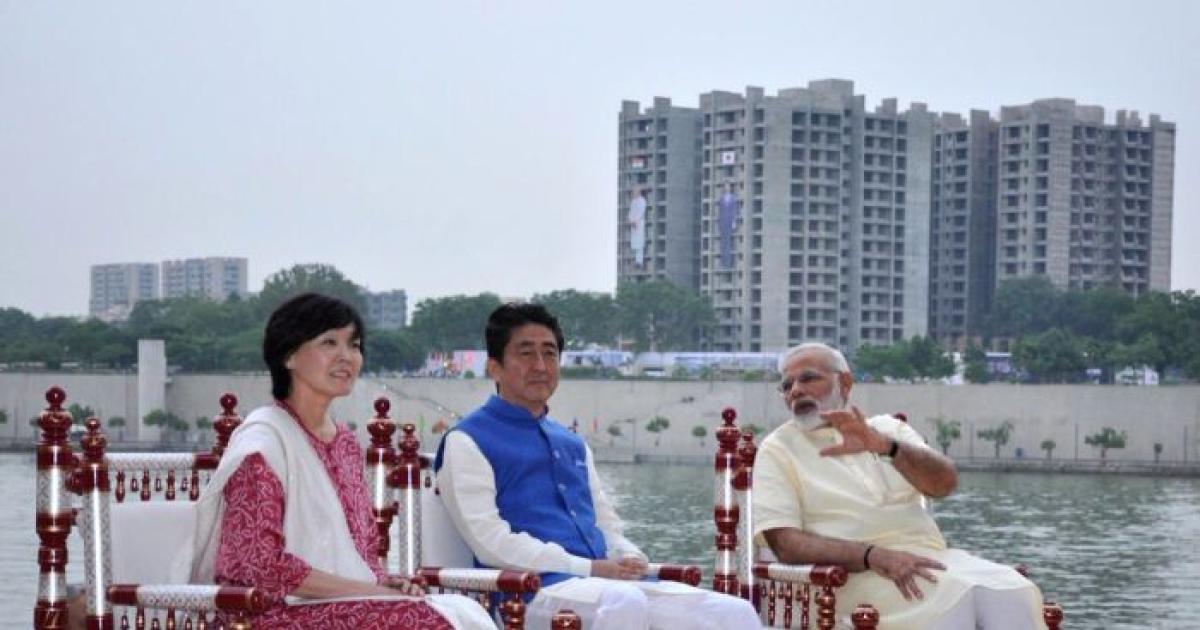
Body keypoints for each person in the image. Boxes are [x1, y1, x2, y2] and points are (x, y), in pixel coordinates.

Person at [434, 303, 760, 630]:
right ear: (495, 368)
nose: (540, 366)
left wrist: (629, 556)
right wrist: (589, 568)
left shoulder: (572, 443)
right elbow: (490, 542)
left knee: (733, 612)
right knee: (625, 602)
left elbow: (606, 525)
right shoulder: (468, 440)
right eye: (526, 353)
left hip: (602, 584)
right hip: (527, 592)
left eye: (549, 354)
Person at [190, 293, 493, 629]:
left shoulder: (345, 443)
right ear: (289, 355)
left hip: (340, 606)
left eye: (354, 345)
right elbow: (257, 567)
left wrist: (385, 584)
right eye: (329, 343)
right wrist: (371, 592)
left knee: (462, 610)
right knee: (423, 620)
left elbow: (359, 550)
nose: (346, 356)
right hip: (266, 614)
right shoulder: (263, 445)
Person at [753, 342, 1046, 630]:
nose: (795, 390)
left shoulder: (889, 429)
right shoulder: (779, 448)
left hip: (929, 560)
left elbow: (944, 484)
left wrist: (885, 446)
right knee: (956, 599)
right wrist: (871, 556)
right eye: (787, 385)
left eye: (808, 378)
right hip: (846, 577)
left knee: (1010, 589)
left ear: (845, 382)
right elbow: (786, 544)